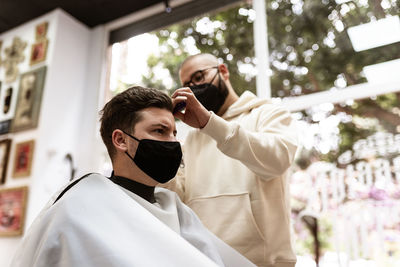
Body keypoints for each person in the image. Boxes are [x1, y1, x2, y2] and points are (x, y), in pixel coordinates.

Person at [10, 86, 256, 267]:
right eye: (159, 131)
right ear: (120, 140)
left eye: (173, 132)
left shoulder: (178, 211)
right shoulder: (78, 208)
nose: (172, 142)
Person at [165, 53, 299, 267]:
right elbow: (178, 197)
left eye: (199, 77)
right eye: (187, 84)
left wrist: (209, 123)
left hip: (264, 263)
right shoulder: (192, 138)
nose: (194, 88)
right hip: (205, 260)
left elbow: (277, 160)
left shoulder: (267, 113)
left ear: (223, 71)